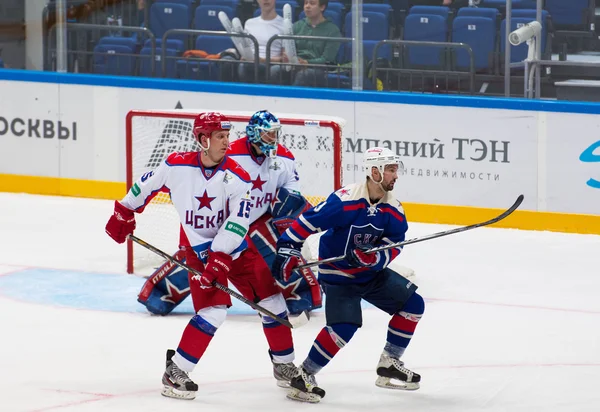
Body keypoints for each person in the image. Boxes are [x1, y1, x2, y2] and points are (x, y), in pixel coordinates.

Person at [105, 112, 298, 400]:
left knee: (273, 302)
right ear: (202, 139)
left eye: (227, 136)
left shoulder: (238, 176)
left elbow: (238, 222)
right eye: (220, 137)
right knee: (214, 311)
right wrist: (123, 211)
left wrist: (220, 258)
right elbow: (144, 186)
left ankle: (284, 365)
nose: (227, 142)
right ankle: (176, 371)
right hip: (196, 252)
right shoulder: (176, 165)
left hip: (236, 249)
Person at [136, 110, 322, 322]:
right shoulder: (228, 153)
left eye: (275, 134)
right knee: (201, 259)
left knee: (283, 251)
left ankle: (303, 294)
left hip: (260, 220)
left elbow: (292, 194)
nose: (273, 139)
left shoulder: (285, 158)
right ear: (253, 133)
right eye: (267, 134)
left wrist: (290, 211)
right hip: (222, 223)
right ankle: (158, 292)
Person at [272, 147, 425, 403]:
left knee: (413, 305)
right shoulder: (345, 201)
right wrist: (288, 248)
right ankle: (304, 375)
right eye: (390, 170)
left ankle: (389, 362)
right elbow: (307, 222)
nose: (395, 176)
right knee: (344, 327)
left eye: (395, 170)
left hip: (370, 274)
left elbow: (395, 242)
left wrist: (374, 258)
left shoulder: (393, 208)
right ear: (374, 171)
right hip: (338, 275)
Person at [271, 0, 341, 87]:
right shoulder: (297, 25)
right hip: (296, 63)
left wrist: (307, 62)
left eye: (312, 3)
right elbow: (289, 47)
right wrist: (287, 56)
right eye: (305, 3)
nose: (307, 6)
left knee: (304, 74)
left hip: (317, 68)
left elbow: (327, 59)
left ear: (322, 7)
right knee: (275, 70)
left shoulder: (333, 30)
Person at [238, 0, 285, 83]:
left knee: (275, 70)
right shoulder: (249, 23)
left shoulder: (284, 25)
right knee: (243, 66)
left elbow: (285, 59)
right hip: (250, 63)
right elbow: (244, 51)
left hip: (272, 64)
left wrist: (262, 60)